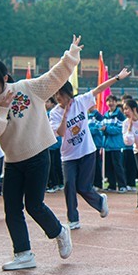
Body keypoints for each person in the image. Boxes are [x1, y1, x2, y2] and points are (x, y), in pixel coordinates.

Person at [0, 36, 82, 271]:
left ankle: (59, 231)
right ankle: (23, 253)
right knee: (12, 208)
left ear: (4, 77)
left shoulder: (27, 88)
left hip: (37, 155)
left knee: (34, 205)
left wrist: (71, 54)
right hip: (12, 161)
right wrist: (2, 108)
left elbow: (54, 77)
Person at [49, 68, 130, 229]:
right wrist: (65, 115)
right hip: (68, 156)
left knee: (83, 187)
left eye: (61, 94)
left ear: (68, 93)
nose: (58, 97)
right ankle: (73, 219)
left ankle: (100, 202)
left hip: (87, 152)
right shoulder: (55, 113)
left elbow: (99, 88)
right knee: (69, 185)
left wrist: (117, 78)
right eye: (56, 94)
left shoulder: (81, 101)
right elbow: (60, 132)